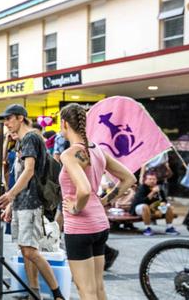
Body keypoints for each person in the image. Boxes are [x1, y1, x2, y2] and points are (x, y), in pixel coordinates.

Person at [58, 103, 137, 299]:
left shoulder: (69, 154)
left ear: (64, 124)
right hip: (99, 225)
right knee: (98, 287)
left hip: (79, 228)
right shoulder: (98, 150)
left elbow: (83, 190)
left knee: (86, 291)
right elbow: (129, 178)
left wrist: (76, 208)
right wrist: (103, 201)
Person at [0, 104, 65, 300]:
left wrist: (10, 196)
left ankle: (57, 294)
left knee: (30, 251)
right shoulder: (22, 141)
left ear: (19, 118)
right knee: (25, 250)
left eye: (8, 119)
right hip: (22, 203)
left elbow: (29, 171)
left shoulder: (31, 138)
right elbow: (19, 174)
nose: (6, 124)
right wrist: (12, 203)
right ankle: (34, 293)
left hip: (31, 203)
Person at [130, 169, 179, 236]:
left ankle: (169, 227)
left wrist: (162, 206)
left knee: (169, 207)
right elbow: (141, 201)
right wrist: (153, 192)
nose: (152, 181)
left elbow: (164, 200)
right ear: (145, 180)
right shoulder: (142, 188)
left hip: (154, 208)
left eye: (154, 179)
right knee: (145, 206)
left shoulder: (158, 189)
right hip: (140, 209)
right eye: (150, 179)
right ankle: (147, 228)